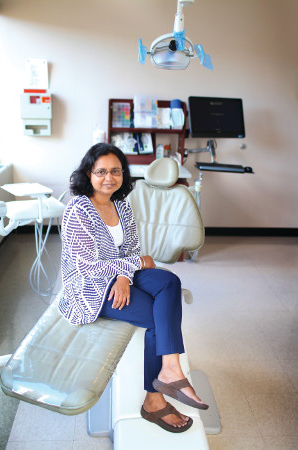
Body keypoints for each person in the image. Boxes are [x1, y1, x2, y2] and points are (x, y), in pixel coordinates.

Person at [59, 143, 208, 433]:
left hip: (119, 275)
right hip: (89, 290)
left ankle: (169, 370)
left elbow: (132, 249)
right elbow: (87, 268)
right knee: (155, 318)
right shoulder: (78, 211)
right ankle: (154, 399)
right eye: (101, 171)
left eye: (115, 171)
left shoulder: (122, 204)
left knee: (169, 281)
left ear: (123, 174)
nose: (109, 178)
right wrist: (131, 266)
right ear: (88, 174)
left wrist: (125, 276)